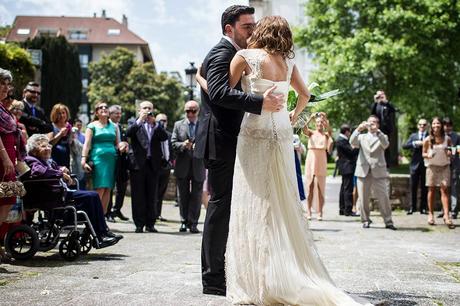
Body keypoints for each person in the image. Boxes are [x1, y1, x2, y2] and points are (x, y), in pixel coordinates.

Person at [203, 13, 372, 304]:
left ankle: (256, 279)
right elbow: (304, 95)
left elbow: (224, 93)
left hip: (253, 133)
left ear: (262, 30)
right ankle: (287, 271)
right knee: (282, 200)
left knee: (251, 201)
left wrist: (202, 80)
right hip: (281, 133)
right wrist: (292, 117)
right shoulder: (289, 62)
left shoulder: (245, 56)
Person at [195, 5, 285, 296]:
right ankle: (213, 278)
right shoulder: (223, 53)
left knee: (226, 205)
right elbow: (220, 94)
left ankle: (222, 271)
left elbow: (212, 85)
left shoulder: (232, 54)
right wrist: (260, 103)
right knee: (220, 206)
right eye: (247, 27)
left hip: (229, 138)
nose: (253, 31)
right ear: (229, 30)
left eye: (254, 25)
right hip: (220, 139)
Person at [23, 134, 122, 247]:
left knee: (92, 198)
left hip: (59, 193)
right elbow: (40, 172)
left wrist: (61, 168)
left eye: (48, 145)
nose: (47, 148)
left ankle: (101, 233)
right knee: (92, 196)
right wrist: (61, 174)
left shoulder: (47, 160)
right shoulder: (31, 160)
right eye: (43, 146)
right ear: (34, 150)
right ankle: (101, 234)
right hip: (50, 196)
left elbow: (50, 169)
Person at [126, 101, 168, 233]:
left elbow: (164, 137)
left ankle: (151, 223)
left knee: (152, 194)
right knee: (138, 195)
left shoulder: (156, 124)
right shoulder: (134, 122)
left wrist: (154, 124)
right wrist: (140, 120)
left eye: (150, 108)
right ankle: (139, 223)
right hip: (138, 164)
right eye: (145, 108)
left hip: (153, 164)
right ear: (139, 110)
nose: (147, 110)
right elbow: (128, 133)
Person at [350, 115, 396, 230]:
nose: (372, 124)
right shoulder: (361, 137)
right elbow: (352, 141)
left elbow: (385, 144)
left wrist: (378, 132)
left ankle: (388, 221)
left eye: (374, 122)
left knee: (383, 197)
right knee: (363, 198)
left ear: (378, 124)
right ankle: (365, 220)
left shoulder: (382, 136)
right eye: (370, 122)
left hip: (378, 171)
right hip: (363, 171)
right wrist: (358, 129)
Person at [0, 69, 27, 262]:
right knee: (4, 201)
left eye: (7, 84)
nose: (6, 88)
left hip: (9, 156)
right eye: (2, 83)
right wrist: (5, 158)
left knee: (8, 201)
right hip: (2, 158)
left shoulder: (2, 108)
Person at [171, 101, 206, 234]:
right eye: (188, 111)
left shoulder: (204, 124)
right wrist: (183, 145)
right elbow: (173, 143)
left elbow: (209, 142)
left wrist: (200, 147)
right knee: (183, 196)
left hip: (198, 165)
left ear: (198, 111)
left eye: (193, 111)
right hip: (183, 165)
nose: (190, 114)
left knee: (196, 196)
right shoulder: (178, 125)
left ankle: (193, 223)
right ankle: (183, 222)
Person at [81, 102, 119, 214]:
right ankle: (93, 216)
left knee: (108, 188)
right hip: (98, 160)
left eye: (106, 107)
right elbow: (87, 144)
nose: (104, 108)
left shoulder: (114, 126)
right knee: (100, 187)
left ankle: (102, 217)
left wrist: (122, 146)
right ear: (96, 112)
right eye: (100, 107)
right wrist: (83, 159)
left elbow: (117, 143)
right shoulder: (91, 126)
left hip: (112, 160)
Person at [422, 117, 455, 229]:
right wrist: (428, 155)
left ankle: (446, 215)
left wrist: (450, 152)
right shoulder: (427, 139)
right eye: (434, 123)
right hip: (431, 167)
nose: (436, 125)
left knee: (444, 190)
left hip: (444, 166)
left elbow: (452, 151)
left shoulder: (447, 139)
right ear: (431, 126)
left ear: (441, 125)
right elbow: (423, 154)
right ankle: (431, 214)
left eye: (438, 123)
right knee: (431, 189)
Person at [303, 112, 333, 220]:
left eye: (321, 122)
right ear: (315, 124)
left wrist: (325, 119)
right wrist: (310, 118)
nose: (319, 124)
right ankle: (309, 211)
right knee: (310, 186)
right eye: (318, 122)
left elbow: (330, 131)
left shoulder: (326, 135)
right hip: (311, 158)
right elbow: (304, 129)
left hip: (321, 158)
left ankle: (320, 212)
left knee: (321, 186)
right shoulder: (311, 133)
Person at [107, 105, 130, 222]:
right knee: (110, 187)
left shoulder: (121, 127)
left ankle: (117, 209)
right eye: (116, 113)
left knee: (122, 185)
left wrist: (125, 145)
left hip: (122, 161)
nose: (119, 115)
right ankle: (108, 211)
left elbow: (124, 140)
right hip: (111, 159)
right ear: (110, 114)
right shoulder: (107, 126)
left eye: (120, 113)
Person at [402, 118, 429, 215]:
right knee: (413, 187)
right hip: (414, 165)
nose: (422, 126)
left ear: (427, 126)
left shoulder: (429, 136)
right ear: (418, 126)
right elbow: (404, 145)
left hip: (426, 164)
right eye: (420, 124)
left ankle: (423, 208)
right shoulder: (413, 136)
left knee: (424, 187)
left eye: (424, 124)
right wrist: (414, 144)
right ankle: (412, 208)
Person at [336, 124, 359, 216]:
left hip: (344, 167)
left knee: (343, 188)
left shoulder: (341, 140)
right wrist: (358, 147)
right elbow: (351, 152)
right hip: (347, 167)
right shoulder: (342, 141)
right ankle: (348, 210)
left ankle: (342, 209)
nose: (350, 134)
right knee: (348, 189)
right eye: (349, 132)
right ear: (346, 131)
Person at [155, 113, 173, 222]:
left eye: (164, 120)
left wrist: (170, 162)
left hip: (165, 167)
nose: (162, 123)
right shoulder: (154, 133)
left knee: (161, 192)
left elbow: (172, 150)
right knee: (153, 191)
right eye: (160, 120)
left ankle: (158, 213)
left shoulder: (169, 135)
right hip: (155, 166)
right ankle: (152, 213)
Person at [371, 90, 396, 166]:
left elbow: (393, 110)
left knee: (386, 146)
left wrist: (385, 101)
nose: (380, 97)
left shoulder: (388, 105)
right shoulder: (376, 105)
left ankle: (387, 164)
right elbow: (372, 113)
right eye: (378, 96)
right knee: (376, 145)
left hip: (386, 129)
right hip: (377, 129)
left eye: (381, 95)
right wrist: (375, 101)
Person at [443, 117, 460, 219]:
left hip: (454, 165)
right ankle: (444, 210)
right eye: (445, 125)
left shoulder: (456, 136)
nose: (447, 127)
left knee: (454, 188)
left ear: (451, 126)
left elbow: (459, 150)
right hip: (442, 165)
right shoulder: (440, 136)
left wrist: (451, 150)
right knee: (443, 188)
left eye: (449, 125)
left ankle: (454, 211)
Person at [47, 103, 73, 168]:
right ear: (54, 114)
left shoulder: (68, 126)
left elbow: (70, 143)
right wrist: (60, 134)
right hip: (54, 159)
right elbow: (49, 144)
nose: (61, 115)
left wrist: (72, 135)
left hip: (66, 159)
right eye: (59, 113)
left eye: (63, 113)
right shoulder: (51, 126)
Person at [293, 134, 306, 201]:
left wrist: (299, 146)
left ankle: (299, 198)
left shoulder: (295, 137)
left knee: (298, 181)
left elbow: (303, 150)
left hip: (296, 163)